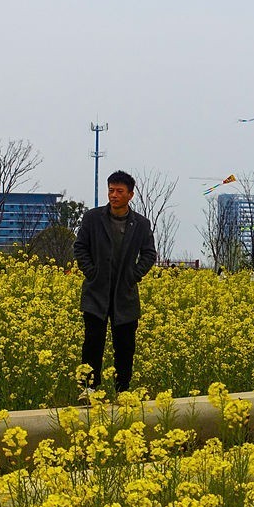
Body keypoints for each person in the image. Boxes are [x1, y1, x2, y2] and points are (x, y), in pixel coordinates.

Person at [73, 170, 157, 397]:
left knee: (125, 346)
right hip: (95, 292)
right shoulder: (92, 218)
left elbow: (149, 254)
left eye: (120, 191)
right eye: (111, 190)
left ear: (130, 194)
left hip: (125, 293)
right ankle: (88, 389)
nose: (114, 195)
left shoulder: (140, 224)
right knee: (92, 343)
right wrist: (91, 272)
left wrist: (134, 275)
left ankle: (123, 391)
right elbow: (80, 247)